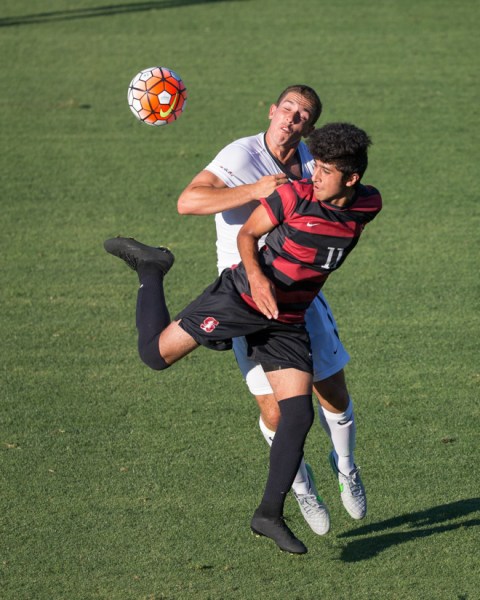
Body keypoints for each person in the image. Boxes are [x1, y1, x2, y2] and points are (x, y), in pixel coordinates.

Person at [104, 122, 382, 554]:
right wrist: (258, 278)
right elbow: (247, 235)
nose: (315, 175)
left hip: (286, 317)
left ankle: (268, 514)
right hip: (241, 298)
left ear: (352, 179)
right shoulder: (293, 194)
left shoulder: (369, 204)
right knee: (155, 355)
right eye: (317, 166)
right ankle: (151, 268)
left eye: (326, 170)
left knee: (299, 415)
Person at [177, 86, 366, 532]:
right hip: (246, 296)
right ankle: (301, 489)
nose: (291, 120)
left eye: (303, 115)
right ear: (272, 111)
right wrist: (255, 191)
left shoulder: (310, 162)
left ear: (310, 127)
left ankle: (347, 468)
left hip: (300, 292)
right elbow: (189, 201)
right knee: (277, 411)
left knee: (332, 391)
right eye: (287, 109)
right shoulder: (241, 155)